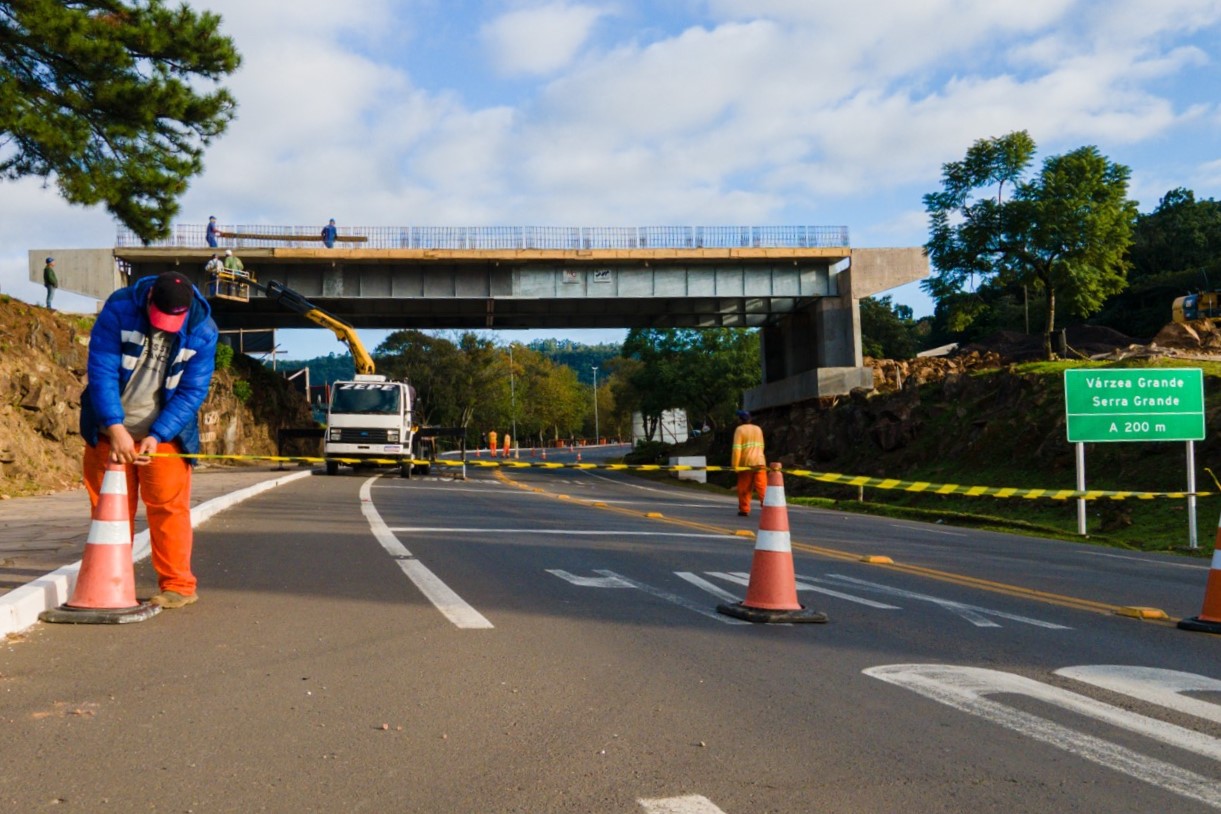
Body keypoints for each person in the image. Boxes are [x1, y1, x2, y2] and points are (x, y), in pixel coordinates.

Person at [79, 271, 218, 609]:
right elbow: (102, 371)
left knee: (169, 509)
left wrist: (157, 435)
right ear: (150, 297)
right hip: (108, 430)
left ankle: (178, 586)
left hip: (166, 435)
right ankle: (109, 582)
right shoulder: (121, 309)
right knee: (109, 511)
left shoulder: (203, 331)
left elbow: (192, 392)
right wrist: (115, 428)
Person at [731, 409, 767, 517]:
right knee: (762, 487)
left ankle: (744, 509)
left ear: (740, 420)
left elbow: (737, 449)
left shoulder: (740, 430)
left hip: (746, 463)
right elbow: (762, 446)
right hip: (760, 461)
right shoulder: (758, 429)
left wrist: (735, 466)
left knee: (744, 488)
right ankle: (768, 508)